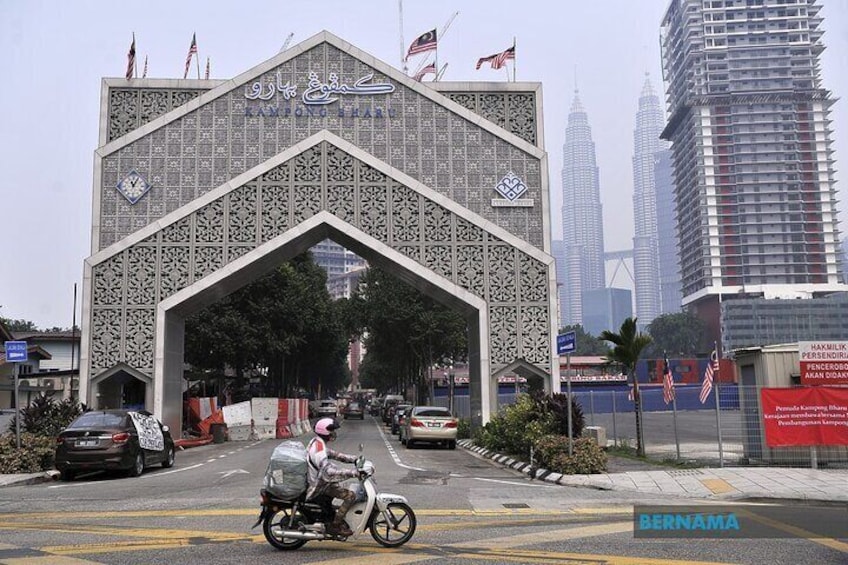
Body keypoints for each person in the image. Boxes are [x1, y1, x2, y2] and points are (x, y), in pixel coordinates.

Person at [306, 417, 359, 536]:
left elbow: (335, 454)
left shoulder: (317, 442)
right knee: (350, 496)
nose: (334, 433)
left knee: (339, 490)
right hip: (320, 485)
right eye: (332, 430)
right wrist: (353, 473)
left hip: (319, 481)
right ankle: (336, 526)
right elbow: (328, 472)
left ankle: (332, 517)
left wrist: (354, 459)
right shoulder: (319, 450)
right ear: (325, 431)